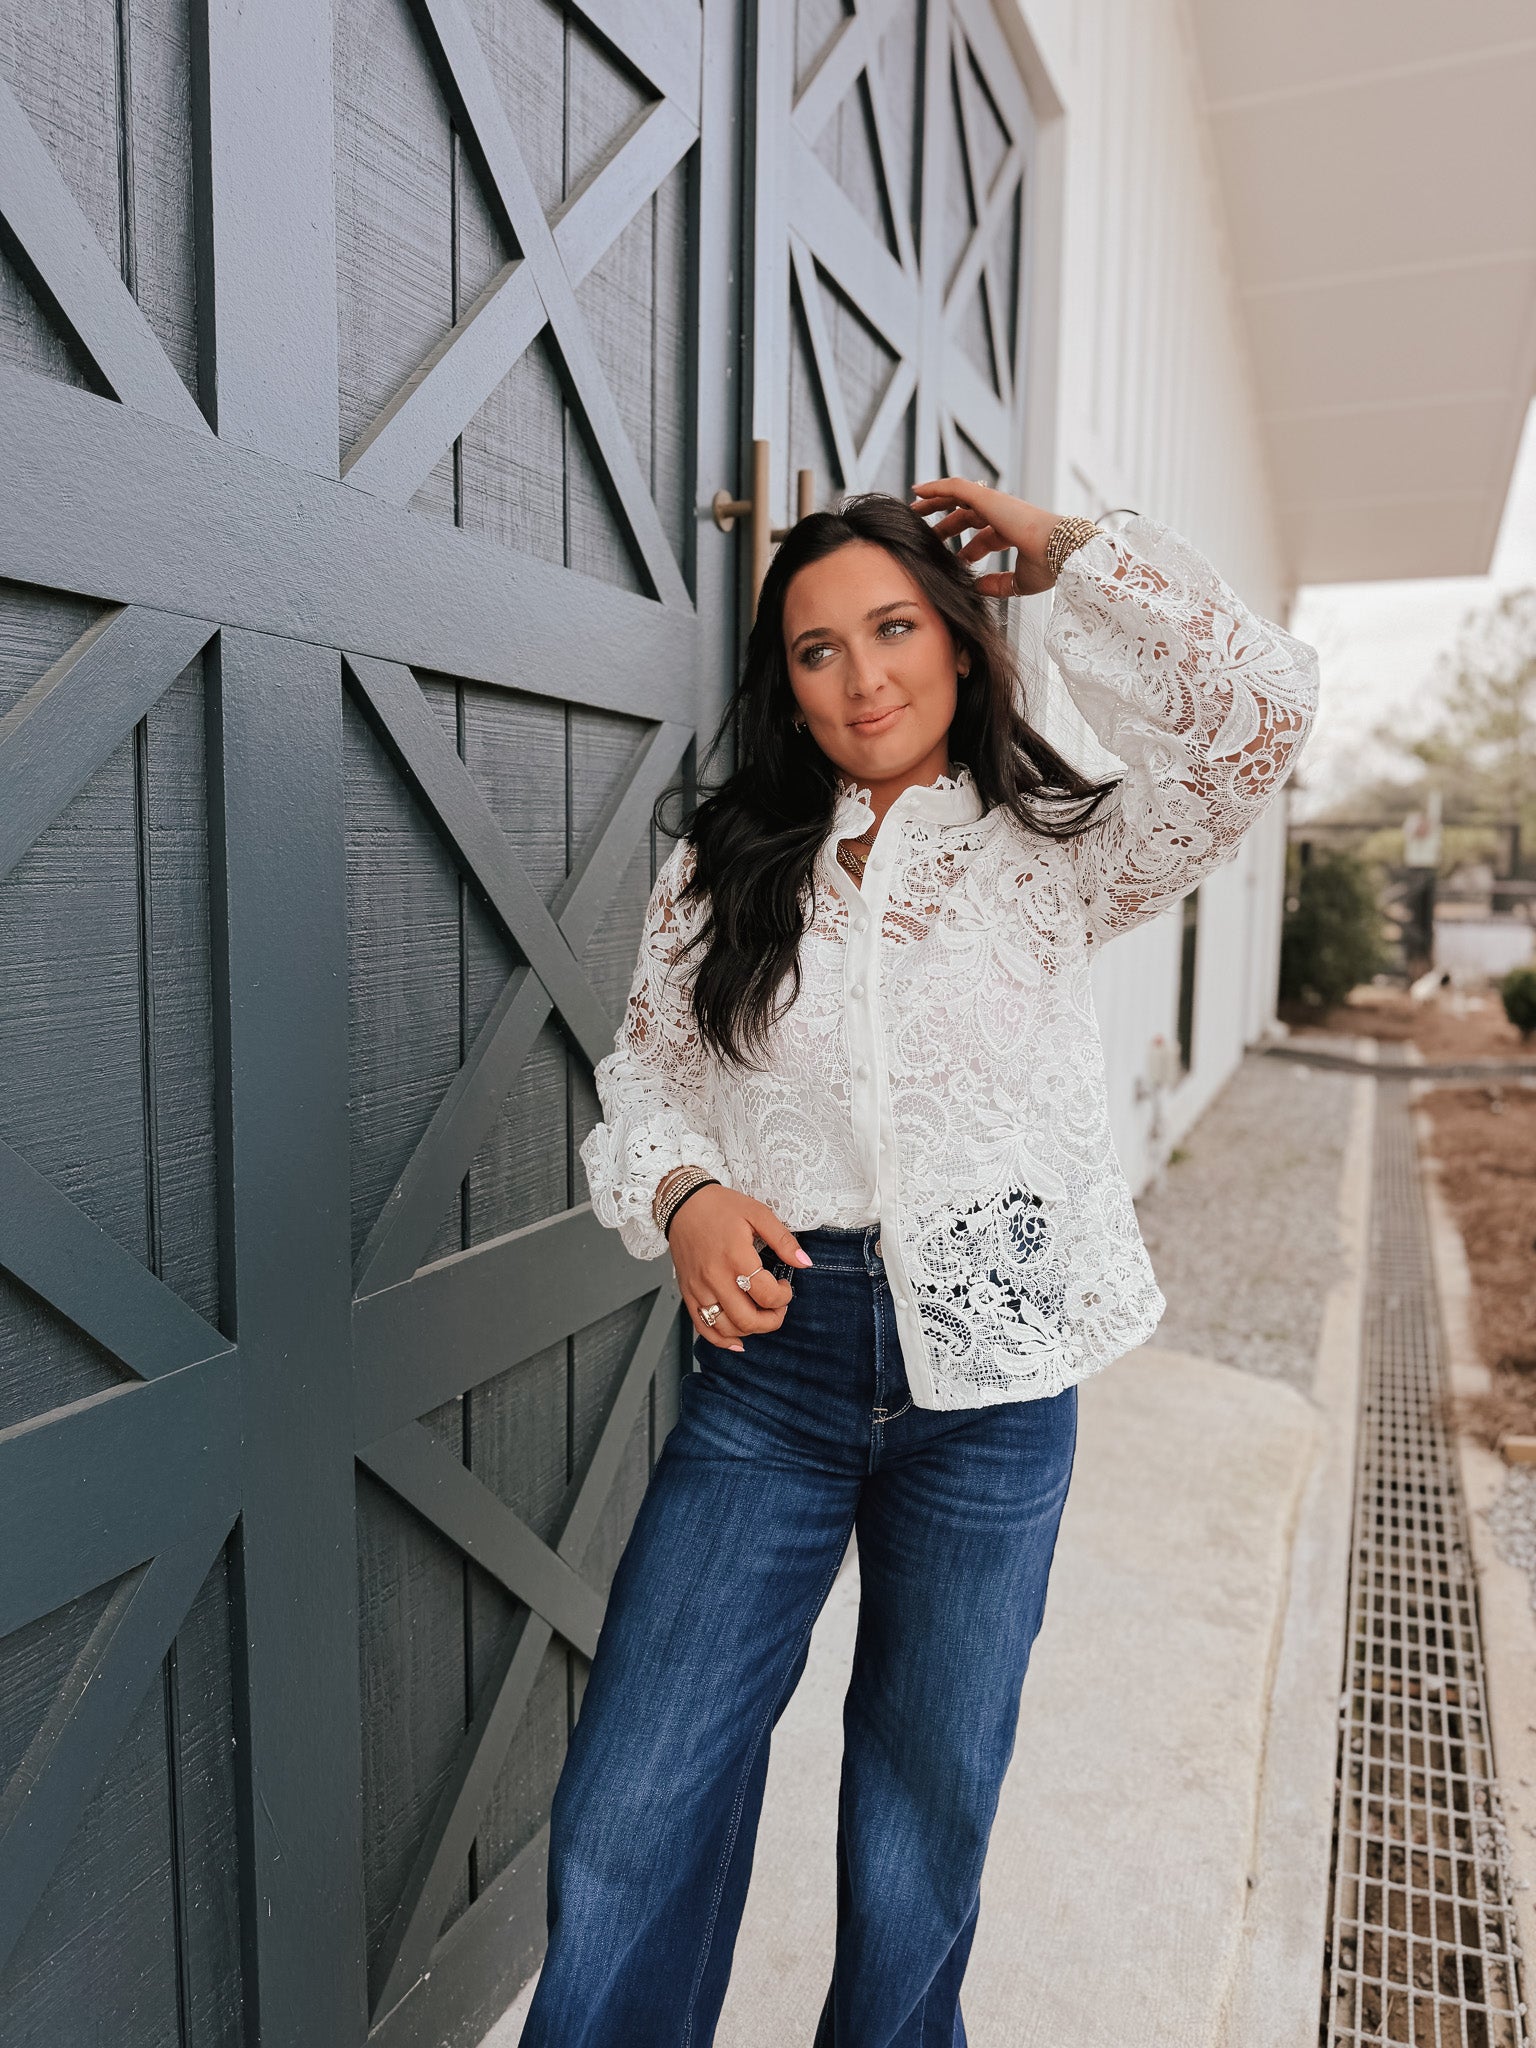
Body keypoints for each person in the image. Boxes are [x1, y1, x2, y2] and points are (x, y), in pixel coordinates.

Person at [518, 480, 1319, 2047]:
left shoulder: (1059, 850)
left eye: (893, 629)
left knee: (921, 1815)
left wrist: (1074, 556)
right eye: (816, 649)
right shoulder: (727, 864)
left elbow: (1255, 720)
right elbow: (651, 1080)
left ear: (958, 640)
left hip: (996, 1380)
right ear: (784, 682)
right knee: (633, 1799)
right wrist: (683, 1193)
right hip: (776, 1373)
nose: (862, 677)